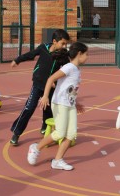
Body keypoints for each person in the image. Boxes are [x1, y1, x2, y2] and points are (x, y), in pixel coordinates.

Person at [27, 42, 88, 170]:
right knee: (60, 133)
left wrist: (75, 103)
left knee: (71, 134)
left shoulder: (77, 69)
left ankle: (58, 160)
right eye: (86, 54)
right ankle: (35, 148)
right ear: (79, 54)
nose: (87, 57)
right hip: (60, 103)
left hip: (69, 104)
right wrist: (45, 96)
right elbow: (50, 79)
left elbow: (71, 89)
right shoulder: (69, 67)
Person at [10, 29, 70, 146]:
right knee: (29, 107)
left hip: (51, 87)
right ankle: (16, 133)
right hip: (37, 83)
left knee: (48, 108)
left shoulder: (63, 56)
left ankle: (45, 126)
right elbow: (30, 55)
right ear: (54, 41)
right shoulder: (43, 48)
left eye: (66, 44)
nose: (64, 46)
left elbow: (66, 72)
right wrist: (17, 60)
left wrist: (56, 82)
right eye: (62, 43)